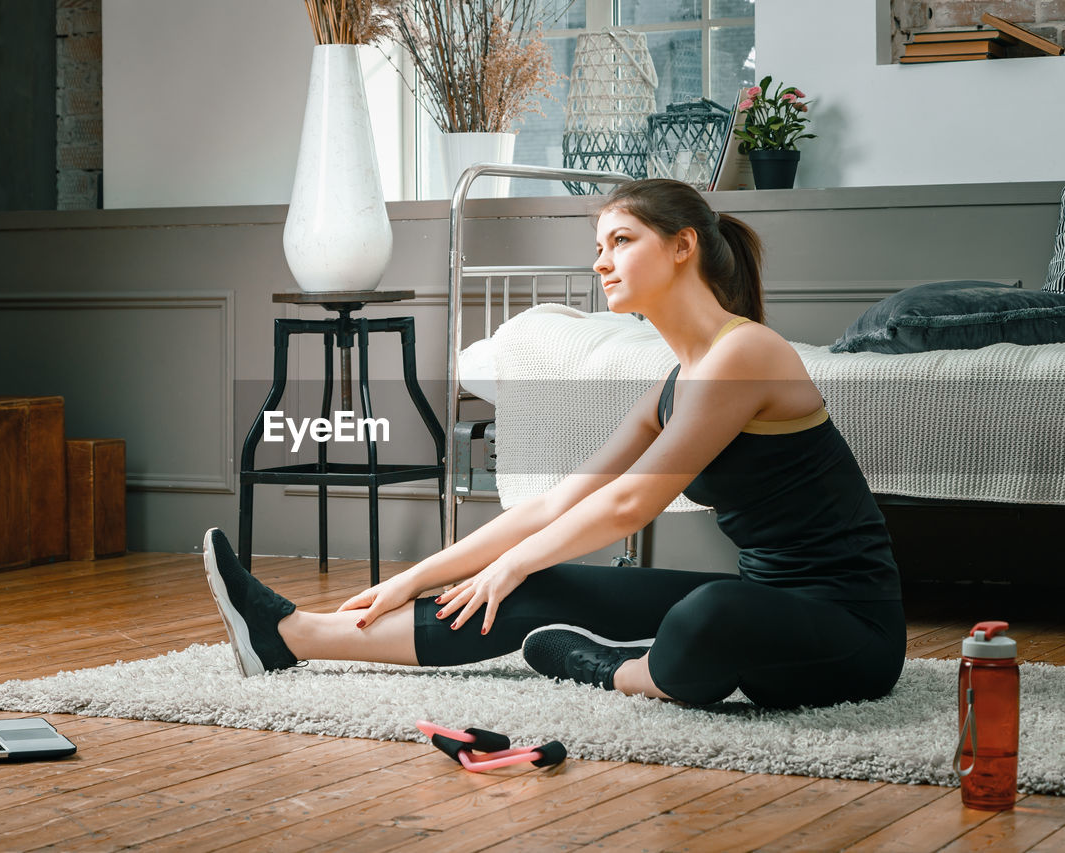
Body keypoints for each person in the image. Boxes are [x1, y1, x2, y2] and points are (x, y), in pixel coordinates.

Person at [204, 178, 904, 709]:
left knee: (708, 615)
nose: (602, 263)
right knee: (541, 582)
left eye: (622, 241)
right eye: (598, 247)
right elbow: (557, 503)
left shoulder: (747, 352)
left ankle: (614, 668)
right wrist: (420, 575)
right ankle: (294, 633)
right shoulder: (671, 385)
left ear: (684, 244)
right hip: (770, 602)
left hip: (852, 630)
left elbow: (631, 501)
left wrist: (506, 564)